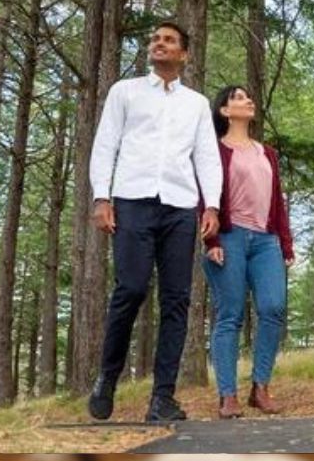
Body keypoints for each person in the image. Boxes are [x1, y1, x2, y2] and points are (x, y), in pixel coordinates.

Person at [86, 21, 222, 423]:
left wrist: (211, 206)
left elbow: (206, 156)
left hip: (181, 207)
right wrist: (101, 196)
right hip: (133, 201)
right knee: (130, 288)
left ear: (184, 54)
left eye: (168, 40)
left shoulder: (196, 103)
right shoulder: (124, 92)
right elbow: (105, 143)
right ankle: (107, 378)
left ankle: (162, 398)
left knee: (177, 300)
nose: (158, 44)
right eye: (154, 40)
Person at [203, 85, 294, 419]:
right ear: (225, 111)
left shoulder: (266, 152)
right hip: (229, 237)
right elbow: (206, 198)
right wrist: (211, 242)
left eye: (248, 97)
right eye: (239, 98)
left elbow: (277, 202)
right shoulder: (215, 151)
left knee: (273, 308)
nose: (248, 101)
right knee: (230, 315)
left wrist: (285, 244)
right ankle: (228, 396)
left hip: (266, 240)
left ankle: (261, 387)